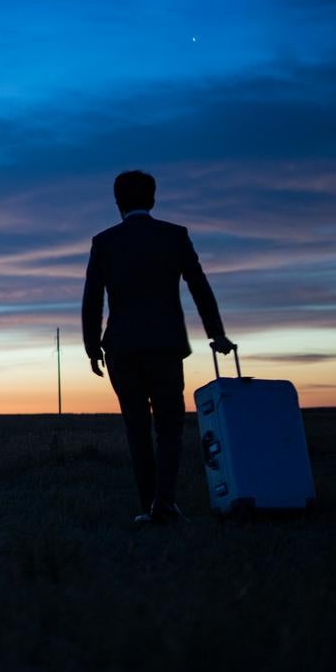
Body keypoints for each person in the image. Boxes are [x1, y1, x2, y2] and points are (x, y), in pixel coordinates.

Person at [81, 170, 235, 524]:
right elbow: (200, 287)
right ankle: (164, 502)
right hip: (165, 346)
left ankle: (148, 504)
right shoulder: (174, 237)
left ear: (118, 202)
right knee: (169, 426)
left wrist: (92, 348)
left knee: (136, 428)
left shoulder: (104, 242)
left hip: (122, 348)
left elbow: (92, 301)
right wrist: (217, 334)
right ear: (152, 200)